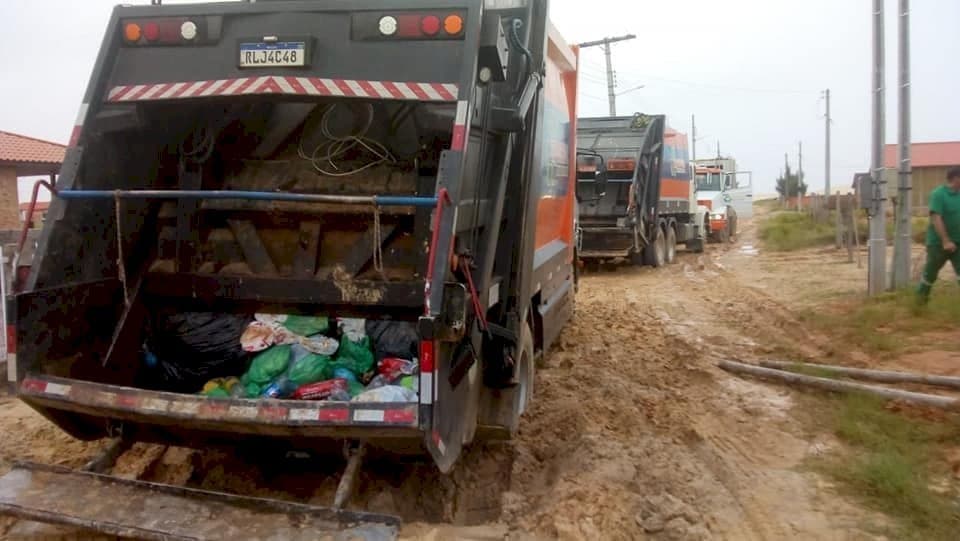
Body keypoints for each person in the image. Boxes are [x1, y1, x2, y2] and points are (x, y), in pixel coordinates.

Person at [917, 167, 960, 303]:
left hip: (958, 241)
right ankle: (919, 303)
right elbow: (936, 218)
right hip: (938, 243)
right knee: (931, 273)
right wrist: (945, 241)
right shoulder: (939, 194)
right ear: (955, 178)